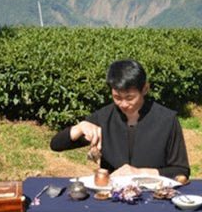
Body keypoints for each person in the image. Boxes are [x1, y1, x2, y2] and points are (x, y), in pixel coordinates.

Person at [50, 59, 190, 180]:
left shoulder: (166, 120)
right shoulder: (104, 118)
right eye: (117, 97)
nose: (123, 104)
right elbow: (56, 145)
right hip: (113, 197)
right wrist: (79, 127)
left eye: (130, 98)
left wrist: (140, 173)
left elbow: (181, 170)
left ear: (145, 89)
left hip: (154, 197)